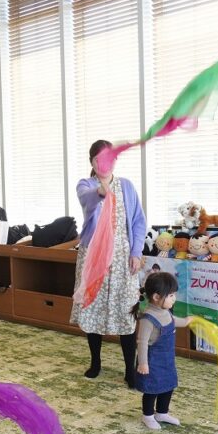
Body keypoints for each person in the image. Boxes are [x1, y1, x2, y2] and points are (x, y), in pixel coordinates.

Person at [71, 139, 147, 388]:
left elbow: (138, 221)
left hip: (123, 258)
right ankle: (95, 363)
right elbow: (88, 199)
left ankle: (130, 370)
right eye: (99, 159)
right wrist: (101, 191)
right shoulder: (86, 185)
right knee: (93, 308)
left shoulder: (126, 186)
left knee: (126, 311)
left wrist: (136, 252)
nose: (105, 163)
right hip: (94, 258)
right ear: (92, 162)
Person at [133, 271, 192, 430]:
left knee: (168, 386)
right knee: (152, 389)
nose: (174, 298)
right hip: (152, 361)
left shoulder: (165, 312)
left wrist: (186, 321)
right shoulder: (148, 318)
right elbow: (142, 342)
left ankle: (162, 412)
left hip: (166, 360)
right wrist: (143, 363)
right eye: (171, 295)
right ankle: (147, 416)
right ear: (156, 297)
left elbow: (172, 321)